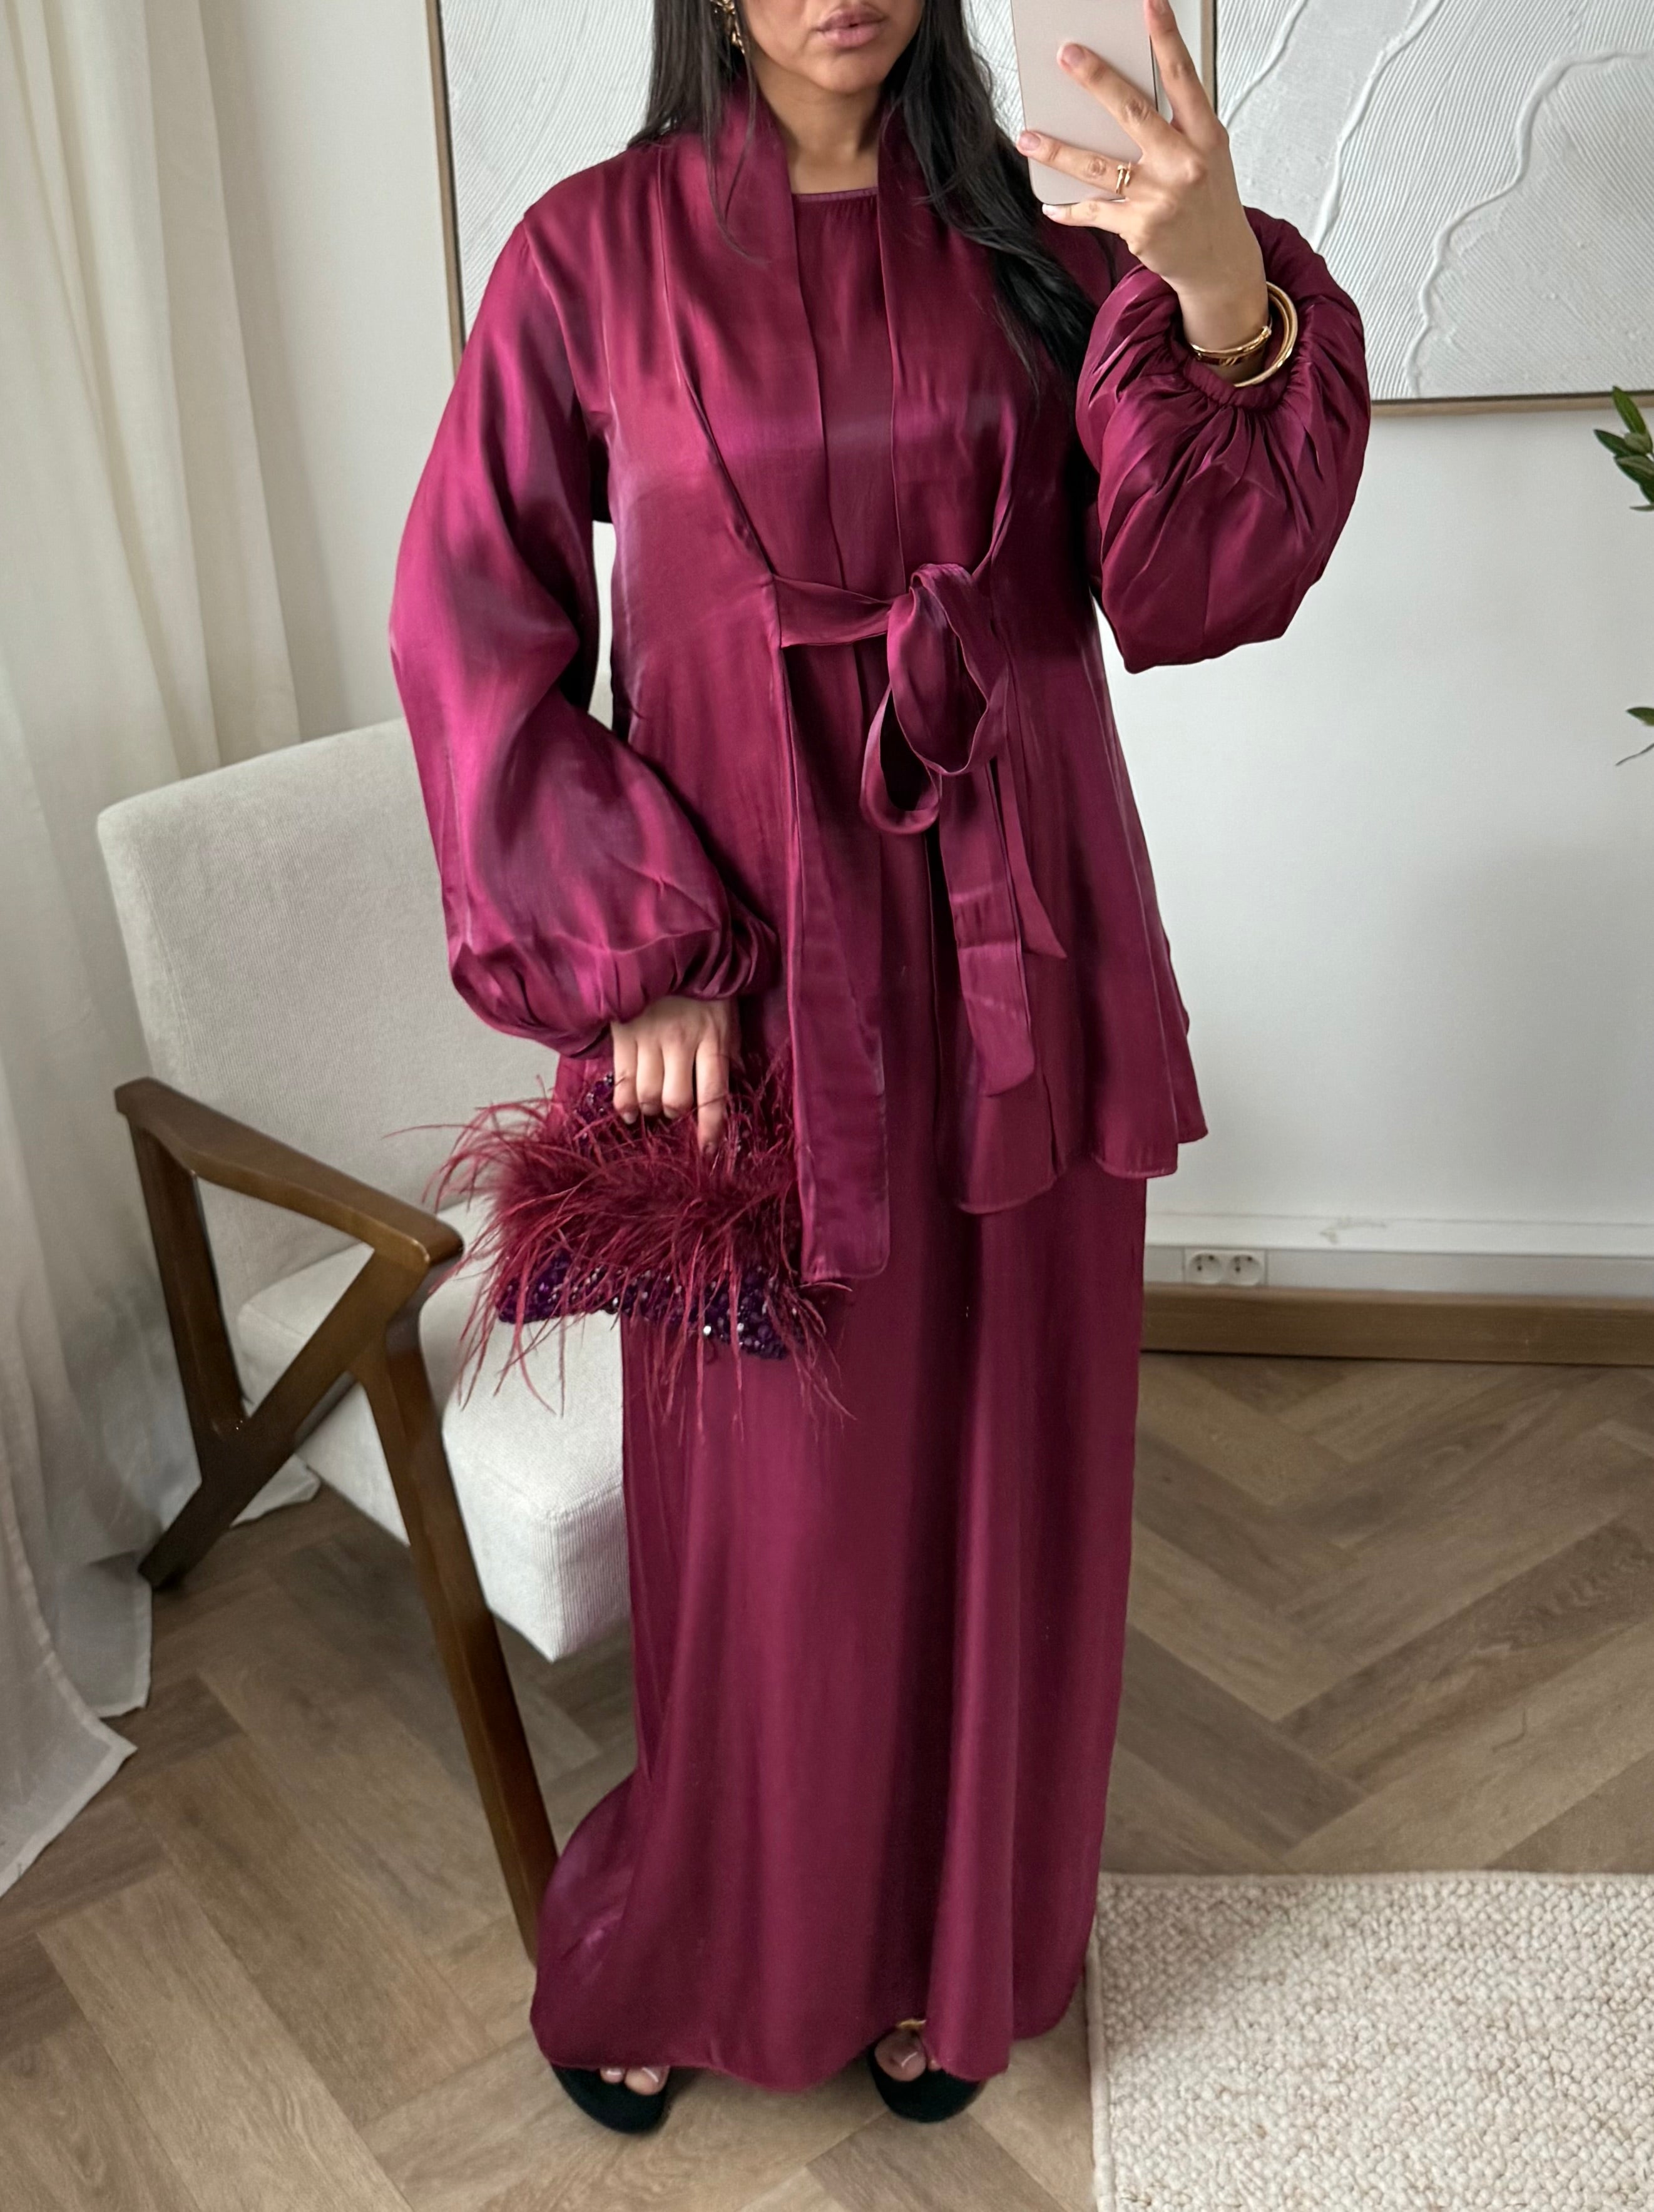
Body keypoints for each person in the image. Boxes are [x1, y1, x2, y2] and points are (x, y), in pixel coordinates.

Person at [389, 0, 1369, 2136]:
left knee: (1017, 1459)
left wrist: (1220, 286)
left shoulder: (1048, 236)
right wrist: (635, 949)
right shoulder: (587, 255)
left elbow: (1190, 586)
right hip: (746, 972)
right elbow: (471, 617)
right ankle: (723, 1940)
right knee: (775, 1518)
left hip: (1026, 936)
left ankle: (965, 1946)